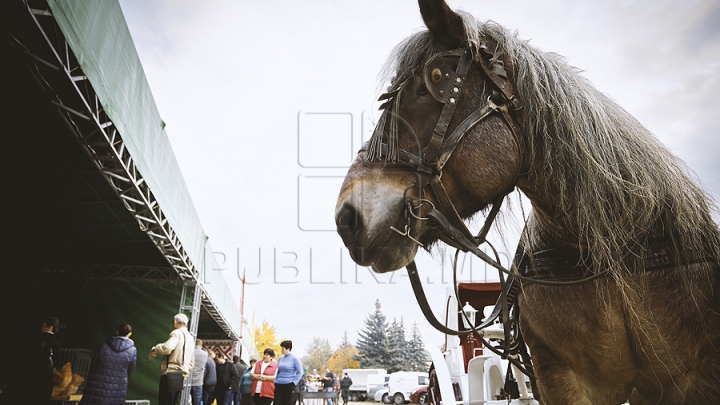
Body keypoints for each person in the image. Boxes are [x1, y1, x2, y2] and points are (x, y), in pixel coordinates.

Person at [79, 324, 137, 405]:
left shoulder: (104, 346)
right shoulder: (132, 350)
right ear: (130, 334)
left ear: (117, 332)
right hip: (118, 387)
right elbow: (130, 370)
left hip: (97, 384)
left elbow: (94, 364)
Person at [149, 313, 195, 405]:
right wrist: (186, 371)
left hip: (170, 372)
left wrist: (155, 348)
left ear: (175, 322)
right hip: (181, 374)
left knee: (164, 401)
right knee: (172, 401)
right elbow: (192, 360)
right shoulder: (190, 337)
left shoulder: (176, 333)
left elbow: (168, 348)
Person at [28, 317, 62, 405]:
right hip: (48, 377)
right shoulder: (56, 342)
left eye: (43, 325)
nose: (41, 328)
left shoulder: (40, 339)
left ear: (49, 327)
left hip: (37, 375)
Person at [274, 340, 303, 405]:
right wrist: (276, 380)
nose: (281, 350)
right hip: (279, 384)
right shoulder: (280, 358)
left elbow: (300, 372)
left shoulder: (294, 359)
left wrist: (294, 383)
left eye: (283, 348)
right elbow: (278, 370)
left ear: (288, 349)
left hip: (289, 385)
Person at [189, 338, 208, 405]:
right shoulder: (205, 354)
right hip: (198, 382)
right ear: (201, 345)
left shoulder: (190, 352)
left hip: (188, 381)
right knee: (196, 402)